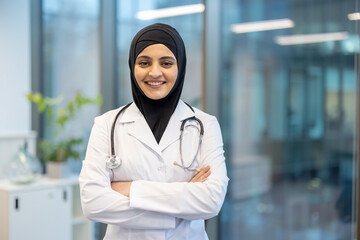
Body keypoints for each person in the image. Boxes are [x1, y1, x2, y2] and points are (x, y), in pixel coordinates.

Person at [79, 23, 229, 240]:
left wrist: (129, 189)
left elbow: (212, 201)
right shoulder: (106, 124)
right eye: (144, 62)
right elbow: (93, 204)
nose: (155, 72)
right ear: (132, 66)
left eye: (167, 62)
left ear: (180, 66)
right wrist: (179, 209)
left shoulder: (205, 124)